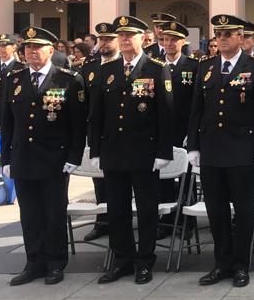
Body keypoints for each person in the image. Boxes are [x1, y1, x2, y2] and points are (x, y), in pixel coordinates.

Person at [188, 14, 254, 288]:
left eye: (228, 34)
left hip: (243, 150)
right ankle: (221, 262)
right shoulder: (206, 67)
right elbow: (196, 110)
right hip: (212, 149)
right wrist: (193, 145)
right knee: (216, 209)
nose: (222, 39)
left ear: (240, 37)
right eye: (219, 35)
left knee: (244, 210)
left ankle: (241, 264)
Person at [88, 16, 174, 285]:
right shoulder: (107, 69)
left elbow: (166, 115)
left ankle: (145, 261)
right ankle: (122, 260)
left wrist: (163, 152)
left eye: (130, 35)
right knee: (117, 210)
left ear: (143, 38)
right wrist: (96, 150)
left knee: (147, 210)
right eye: (121, 35)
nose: (124, 40)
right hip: (113, 152)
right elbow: (96, 113)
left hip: (144, 153)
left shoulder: (156, 69)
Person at [0, 27, 86, 285]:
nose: (32, 52)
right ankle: (33, 262)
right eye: (28, 47)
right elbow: (8, 124)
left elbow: (78, 125)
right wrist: (6, 159)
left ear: (52, 49)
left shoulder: (68, 80)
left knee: (53, 212)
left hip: (54, 159)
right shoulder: (14, 79)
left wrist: (74, 156)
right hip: (24, 157)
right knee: (30, 214)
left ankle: (55, 262)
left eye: (38, 47)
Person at [79, 22, 119, 242]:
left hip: (118, 131)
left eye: (109, 39)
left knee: (118, 184)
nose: (104, 43)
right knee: (99, 180)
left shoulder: (124, 64)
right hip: (95, 130)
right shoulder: (90, 66)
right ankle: (102, 222)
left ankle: (118, 222)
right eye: (102, 39)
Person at [159, 21, 199, 237]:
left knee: (187, 179)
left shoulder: (193, 66)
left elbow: (196, 104)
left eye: (174, 39)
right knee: (163, 177)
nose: (169, 43)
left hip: (185, 131)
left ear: (183, 42)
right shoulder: (156, 66)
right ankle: (166, 222)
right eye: (166, 39)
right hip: (162, 132)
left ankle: (186, 222)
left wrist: (191, 133)